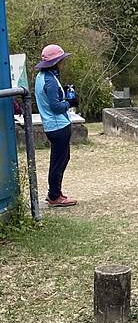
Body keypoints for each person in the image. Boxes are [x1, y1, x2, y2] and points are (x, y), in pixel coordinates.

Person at [34, 44, 78, 207]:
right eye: (61, 60)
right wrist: (70, 102)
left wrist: (63, 93)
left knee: (59, 159)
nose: (63, 63)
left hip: (51, 126)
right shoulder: (51, 81)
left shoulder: (41, 77)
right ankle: (54, 196)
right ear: (56, 62)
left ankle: (55, 193)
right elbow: (56, 107)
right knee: (59, 161)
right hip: (58, 126)